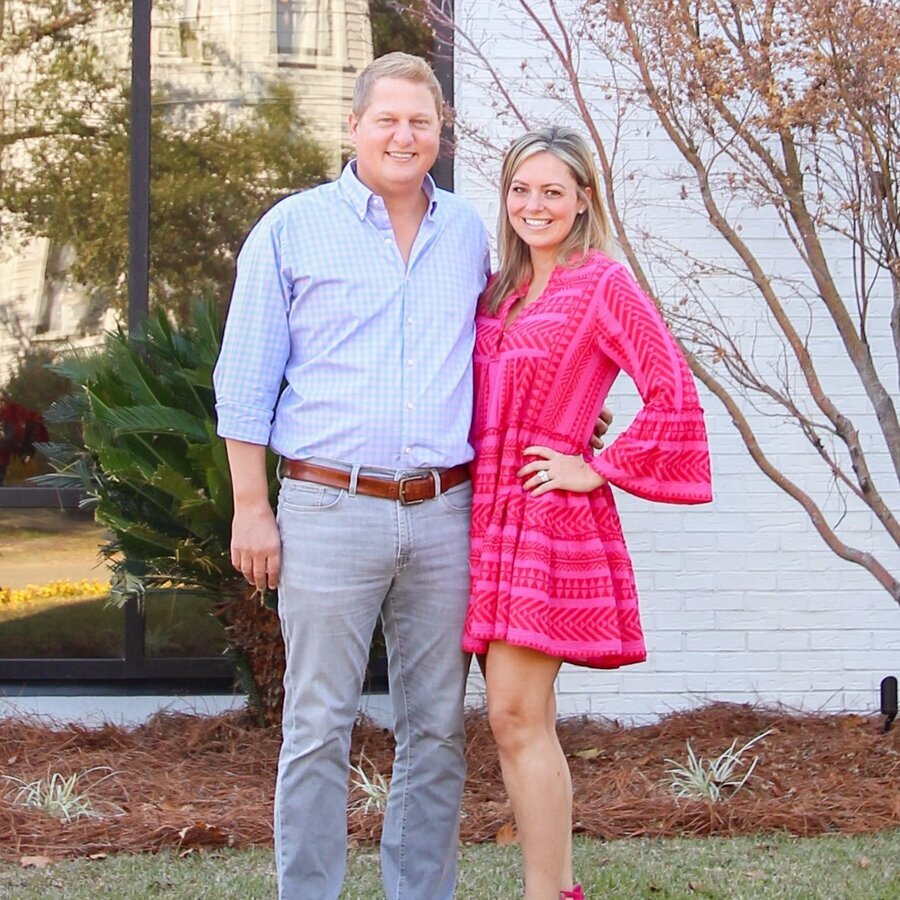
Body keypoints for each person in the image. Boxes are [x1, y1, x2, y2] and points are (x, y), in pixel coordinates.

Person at [213, 52, 489, 899]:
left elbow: (504, 348)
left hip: (444, 513)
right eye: (388, 120)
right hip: (329, 508)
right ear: (355, 126)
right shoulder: (292, 229)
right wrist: (251, 508)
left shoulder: (470, 233)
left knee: (437, 729)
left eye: (420, 122)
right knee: (318, 725)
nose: (404, 136)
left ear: (440, 133)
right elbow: (245, 379)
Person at [461, 127, 713, 900]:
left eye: (552, 192)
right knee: (524, 719)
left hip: (546, 519)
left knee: (512, 715)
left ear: (582, 202)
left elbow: (672, 390)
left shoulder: (602, 283)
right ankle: (559, 888)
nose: (534, 205)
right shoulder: (498, 292)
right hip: (485, 517)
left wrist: (593, 463)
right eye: (521, 190)